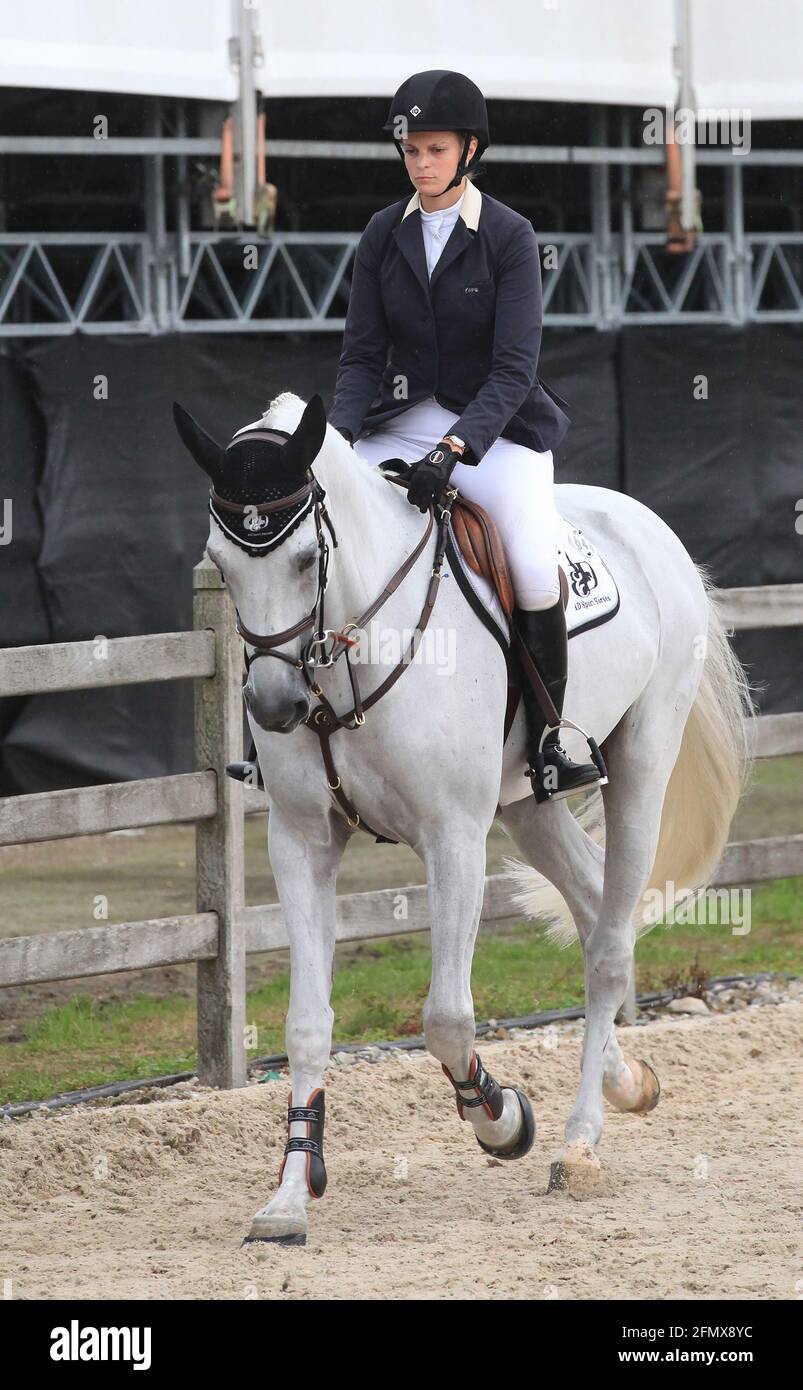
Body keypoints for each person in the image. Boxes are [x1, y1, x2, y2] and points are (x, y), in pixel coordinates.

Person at [329, 69, 603, 801]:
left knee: (530, 557)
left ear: (467, 150)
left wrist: (455, 450)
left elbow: (515, 367)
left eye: (435, 149)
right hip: (406, 417)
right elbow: (360, 357)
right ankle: (296, 726)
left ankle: (552, 736)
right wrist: (332, 446)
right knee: (324, 529)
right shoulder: (382, 233)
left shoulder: (508, 236)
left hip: (498, 428)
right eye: (411, 149)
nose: (420, 163)